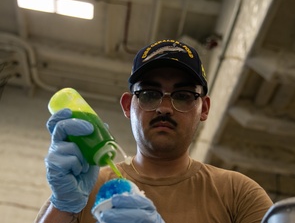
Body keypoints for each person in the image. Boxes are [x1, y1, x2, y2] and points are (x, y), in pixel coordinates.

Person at [35, 39, 273, 223]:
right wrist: (64, 207)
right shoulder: (84, 189)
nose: (164, 108)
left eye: (183, 96)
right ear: (128, 106)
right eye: (149, 94)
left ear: (204, 108)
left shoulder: (238, 193)